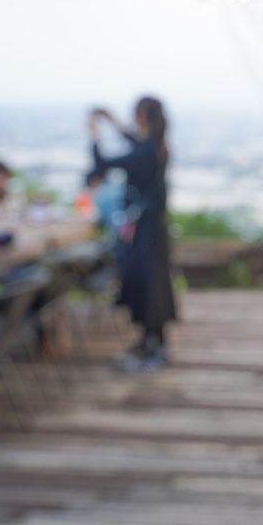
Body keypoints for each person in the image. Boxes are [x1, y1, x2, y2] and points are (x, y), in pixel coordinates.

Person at [88, 97, 176, 371]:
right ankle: (151, 343)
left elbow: (103, 163)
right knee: (150, 288)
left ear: (142, 117)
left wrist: (94, 134)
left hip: (147, 233)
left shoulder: (146, 152)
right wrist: (111, 120)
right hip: (153, 230)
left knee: (148, 289)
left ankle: (154, 348)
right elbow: (132, 139)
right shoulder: (153, 146)